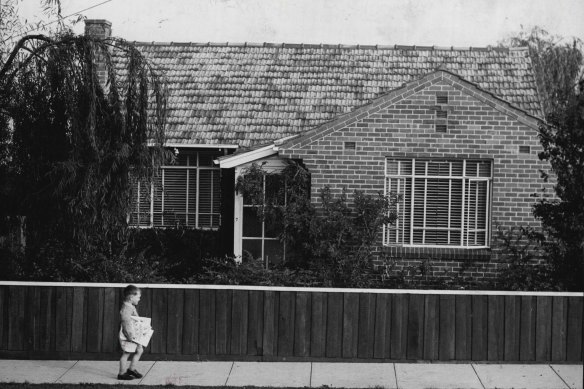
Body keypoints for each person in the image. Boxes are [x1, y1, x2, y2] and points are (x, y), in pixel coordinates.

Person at [118, 284, 144, 380]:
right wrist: (129, 335)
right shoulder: (126, 308)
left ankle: (131, 369)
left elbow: (135, 319)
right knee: (127, 353)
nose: (139, 299)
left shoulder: (130, 306)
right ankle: (121, 373)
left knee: (139, 350)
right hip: (128, 334)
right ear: (131, 297)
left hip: (134, 333)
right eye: (138, 297)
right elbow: (125, 322)